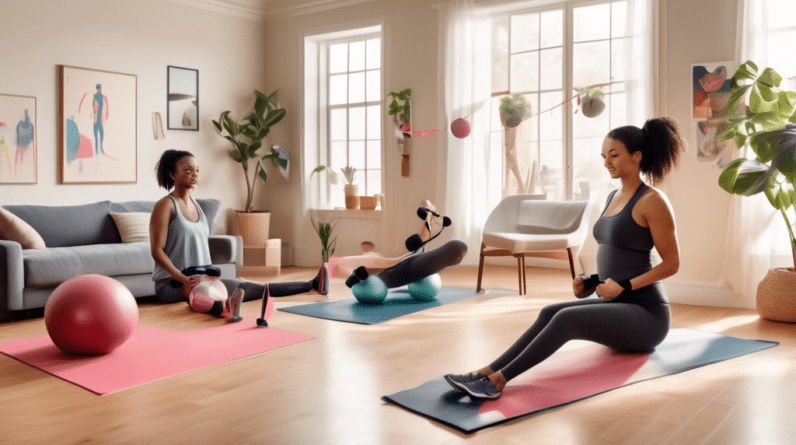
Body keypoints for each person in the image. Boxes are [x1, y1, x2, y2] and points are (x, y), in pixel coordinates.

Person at [445, 117, 685, 400]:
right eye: (604, 156)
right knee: (549, 312)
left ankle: (497, 382)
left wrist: (626, 287)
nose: (607, 162)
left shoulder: (653, 201)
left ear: (637, 156)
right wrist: (591, 281)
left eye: (614, 155)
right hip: (618, 303)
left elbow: (672, 264)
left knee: (566, 320)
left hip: (648, 316)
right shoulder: (613, 196)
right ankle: (483, 372)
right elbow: (617, 257)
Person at [150, 149, 328, 319]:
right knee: (211, 294)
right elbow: (157, 251)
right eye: (187, 170)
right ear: (172, 174)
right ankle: (224, 309)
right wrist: (183, 280)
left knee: (245, 287)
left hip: (202, 280)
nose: (194, 174)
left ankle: (312, 284)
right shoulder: (165, 206)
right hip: (173, 284)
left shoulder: (197, 206)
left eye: (197, 170)